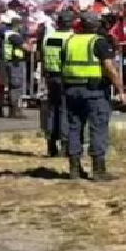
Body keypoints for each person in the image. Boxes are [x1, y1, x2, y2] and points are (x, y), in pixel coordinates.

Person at [61, 12, 126, 181]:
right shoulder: (98, 42)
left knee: (74, 128)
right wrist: (121, 90)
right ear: (96, 25)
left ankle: (74, 169)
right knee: (98, 128)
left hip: (72, 90)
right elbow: (110, 68)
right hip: (94, 91)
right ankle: (98, 170)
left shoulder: (69, 41)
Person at [41, 10, 75, 157]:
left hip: (51, 76)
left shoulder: (48, 38)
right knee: (65, 110)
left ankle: (51, 144)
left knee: (52, 110)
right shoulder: (71, 38)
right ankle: (64, 144)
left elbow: (43, 57)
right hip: (66, 77)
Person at [0, 12, 28, 119]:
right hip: (14, 63)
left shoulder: (4, 34)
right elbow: (26, 47)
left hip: (4, 61)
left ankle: (0, 108)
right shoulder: (14, 35)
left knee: (3, 85)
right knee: (15, 86)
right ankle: (14, 110)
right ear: (17, 25)